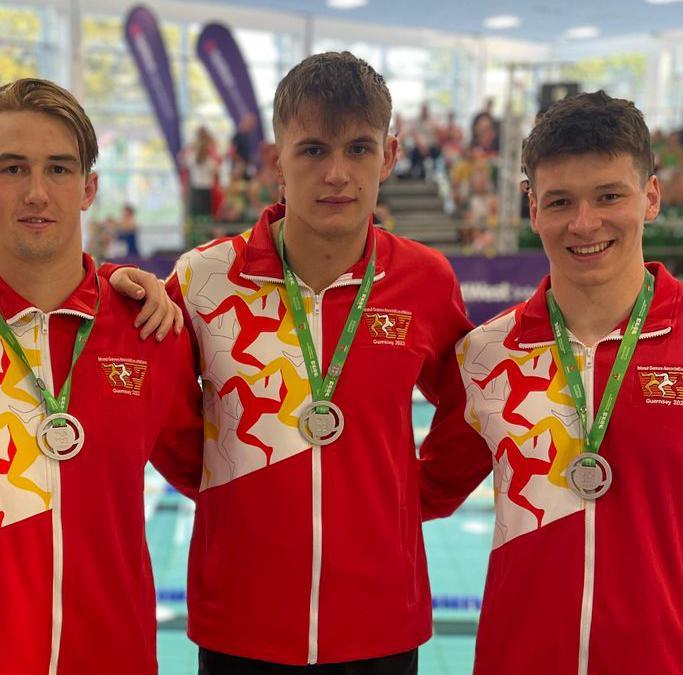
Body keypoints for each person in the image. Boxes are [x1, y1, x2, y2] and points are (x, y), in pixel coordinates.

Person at [0, 78, 201, 674]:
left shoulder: (152, 331)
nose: (37, 192)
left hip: (113, 659)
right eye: (13, 169)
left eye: (58, 169)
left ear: (89, 188)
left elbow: (221, 477)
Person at [419, 91, 683, 674]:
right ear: (532, 209)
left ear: (650, 196)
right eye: (561, 201)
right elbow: (413, 494)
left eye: (608, 196)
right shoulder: (485, 354)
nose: (584, 223)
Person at [167, 51, 478, 673]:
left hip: (381, 622)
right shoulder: (205, 279)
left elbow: (472, 404)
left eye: (359, 149)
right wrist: (226, 497)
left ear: (389, 156)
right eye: (312, 150)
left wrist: (411, 497)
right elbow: (163, 414)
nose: (337, 173)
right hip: (241, 624)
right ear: (275, 159)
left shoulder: (422, 279)